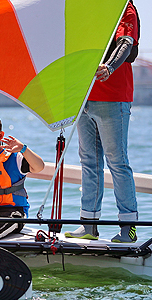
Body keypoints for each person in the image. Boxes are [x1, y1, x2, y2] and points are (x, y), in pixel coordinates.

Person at [65, 1, 140, 243]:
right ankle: (89, 225)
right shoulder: (88, 9)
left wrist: (109, 67)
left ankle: (128, 227)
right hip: (83, 97)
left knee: (117, 162)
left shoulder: (125, 8)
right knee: (89, 162)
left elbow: (126, 44)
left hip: (113, 98)